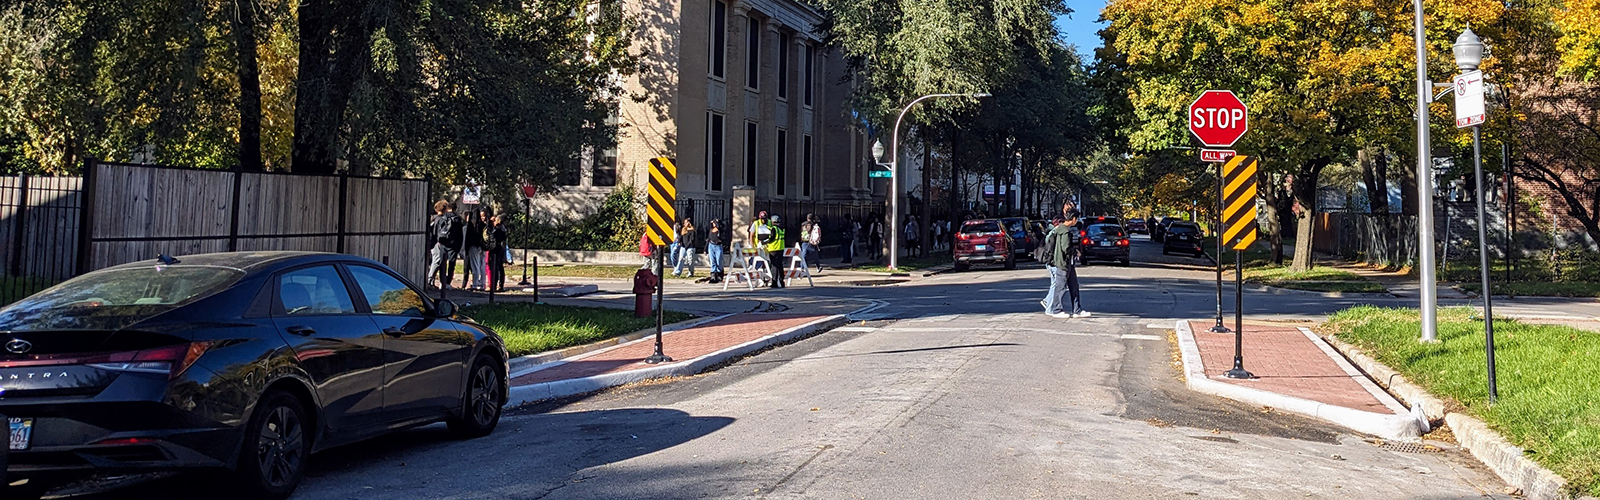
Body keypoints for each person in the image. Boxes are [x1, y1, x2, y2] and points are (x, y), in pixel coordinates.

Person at [1047, 201, 1087, 318]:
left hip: (1069, 262)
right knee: (1060, 286)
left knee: (1074, 286)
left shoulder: (1062, 229)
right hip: (1063, 262)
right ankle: (1056, 309)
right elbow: (1065, 248)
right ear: (1073, 219)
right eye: (1076, 219)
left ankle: (1077, 310)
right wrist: (1075, 251)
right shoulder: (1064, 230)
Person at [426, 200, 463, 290]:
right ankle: (447, 283)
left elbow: (435, 232)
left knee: (442, 263)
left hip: (442, 243)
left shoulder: (441, 218)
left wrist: (435, 242)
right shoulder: (457, 219)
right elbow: (460, 235)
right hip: (453, 245)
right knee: (451, 264)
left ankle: (442, 282)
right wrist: (459, 246)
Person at [461, 210, 487, 290]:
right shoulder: (483, 225)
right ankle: (482, 284)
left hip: (473, 247)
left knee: (475, 266)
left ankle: (475, 284)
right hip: (482, 247)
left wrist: (466, 249)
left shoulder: (471, 226)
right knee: (482, 266)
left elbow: (468, 239)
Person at [487, 214, 509, 292]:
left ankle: (495, 284)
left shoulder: (497, 230)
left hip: (496, 250)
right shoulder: (503, 229)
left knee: (495, 267)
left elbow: (491, 236)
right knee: (500, 267)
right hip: (501, 249)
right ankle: (500, 284)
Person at [765, 214, 786, 288]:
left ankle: (774, 282)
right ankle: (781, 281)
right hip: (781, 248)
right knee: (780, 265)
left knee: (774, 266)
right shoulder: (782, 228)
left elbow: (771, 238)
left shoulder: (774, 229)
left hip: (773, 249)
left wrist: (764, 242)